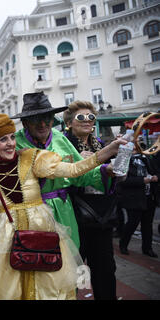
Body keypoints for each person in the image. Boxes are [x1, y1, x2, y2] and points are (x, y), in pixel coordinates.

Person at [0, 114, 125, 300]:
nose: (10, 143)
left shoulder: (31, 158)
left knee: (47, 288)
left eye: (11, 137)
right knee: (10, 290)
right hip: (4, 238)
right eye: (3, 139)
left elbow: (74, 169)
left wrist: (109, 150)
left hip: (40, 230)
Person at [12, 92, 114, 249]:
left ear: (53, 120)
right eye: (35, 119)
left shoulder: (60, 138)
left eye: (47, 119)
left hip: (63, 212)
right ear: (25, 123)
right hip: (29, 215)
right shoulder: (13, 142)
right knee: (35, 262)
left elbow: (81, 174)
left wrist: (106, 170)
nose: (43, 124)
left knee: (68, 261)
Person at [63, 101, 117, 300]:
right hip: (74, 218)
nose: (87, 121)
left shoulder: (102, 146)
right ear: (69, 123)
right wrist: (78, 164)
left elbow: (117, 177)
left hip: (101, 216)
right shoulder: (63, 145)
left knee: (105, 269)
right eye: (81, 117)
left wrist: (120, 160)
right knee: (74, 272)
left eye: (91, 117)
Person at [118, 151, 159, 258]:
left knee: (147, 224)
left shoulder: (147, 158)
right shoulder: (123, 158)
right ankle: (123, 245)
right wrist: (142, 180)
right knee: (132, 223)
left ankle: (147, 248)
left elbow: (157, 171)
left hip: (149, 197)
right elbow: (122, 181)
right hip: (133, 198)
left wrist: (156, 177)